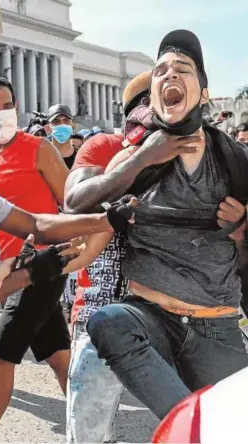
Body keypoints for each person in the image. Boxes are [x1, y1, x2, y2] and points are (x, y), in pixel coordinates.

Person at [0, 79, 135, 441]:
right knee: (58, 357)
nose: (0, 114)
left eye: (7, 104)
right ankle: (93, 431)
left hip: (40, 267)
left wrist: (105, 221)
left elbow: (46, 217)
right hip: (22, 273)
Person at [86, 29, 248, 422]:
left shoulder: (237, 161)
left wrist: (243, 228)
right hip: (149, 319)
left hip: (217, 327)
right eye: (161, 71)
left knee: (233, 429)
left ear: (204, 93)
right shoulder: (130, 162)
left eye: (183, 69)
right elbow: (85, 222)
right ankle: (188, 428)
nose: (170, 76)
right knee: (108, 321)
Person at [64, 72, 152, 443]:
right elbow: (73, 202)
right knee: (89, 429)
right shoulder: (104, 146)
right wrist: (139, 157)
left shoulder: (194, 156)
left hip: (173, 315)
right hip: (100, 311)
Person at [44, 104, 77, 169]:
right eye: (56, 121)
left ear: (73, 126)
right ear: (47, 129)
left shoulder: (81, 156)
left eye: (66, 121)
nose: (62, 125)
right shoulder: (41, 157)